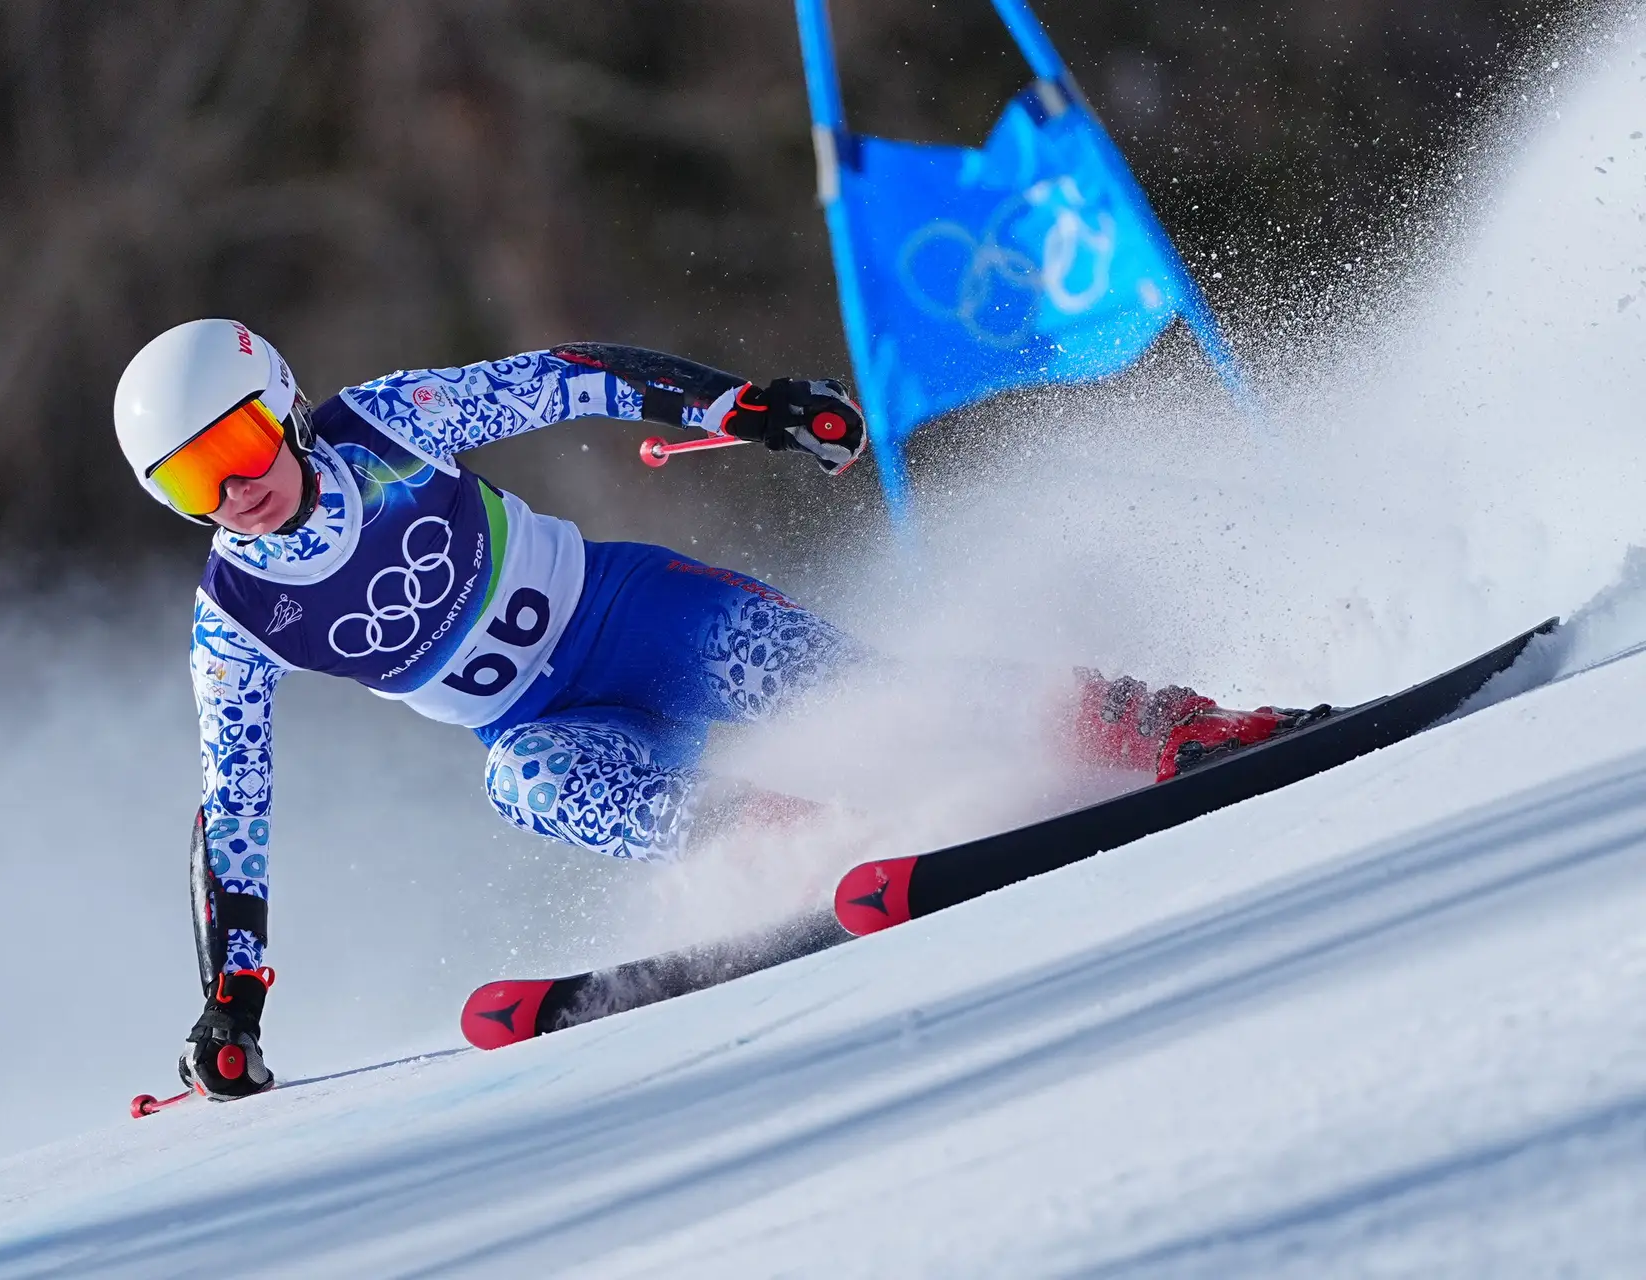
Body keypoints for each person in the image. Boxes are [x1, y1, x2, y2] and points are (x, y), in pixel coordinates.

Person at [113, 318, 1323, 1100]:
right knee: (521, 780)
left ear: (277, 398)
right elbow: (235, 808)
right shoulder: (234, 622)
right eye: (189, 482)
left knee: (864, 698)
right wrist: (236, 995)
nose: (235, 489)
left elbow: (566, 377)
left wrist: (744, 409)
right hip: (554, 724)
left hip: (638, 618)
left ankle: (1149, 721)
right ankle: (791, 844)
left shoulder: (384, 424)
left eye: (236, 443)